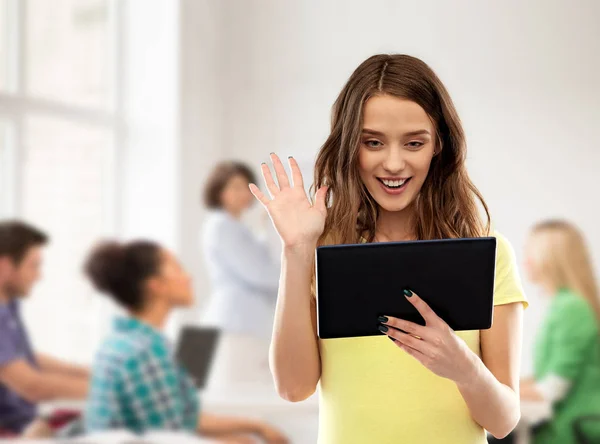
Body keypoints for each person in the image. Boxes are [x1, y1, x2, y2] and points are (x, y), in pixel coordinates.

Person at [249, 54, 528, 444]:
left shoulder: (488, 253)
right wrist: (296, 251)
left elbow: (503, 420)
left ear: (439, 146)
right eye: (373, 142)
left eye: (414, 142)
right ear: (350, 146)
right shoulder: (322, 249)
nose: (393, 163)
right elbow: (294, 388)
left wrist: (463, 367)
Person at [84, 240, 288, 443]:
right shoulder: (145, 352)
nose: (188, 276)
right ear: (156, 285)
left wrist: (255, 426)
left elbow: (183, 421)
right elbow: (170, 437)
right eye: (177, 268)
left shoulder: (122, 342)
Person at [0, 220, 89, 438]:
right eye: (34, 265)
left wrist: (93, 373)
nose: (39, 276)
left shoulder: (9, 306)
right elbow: (31, 386)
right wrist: (111, 388)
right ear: (5, 266)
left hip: (26, 424)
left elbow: (25, 359)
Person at [518, 220, 600, 443]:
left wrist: (491, 389)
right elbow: (544, 376)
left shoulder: (571, 308)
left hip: (573, 432)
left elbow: (551, 389)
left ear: (550, 259)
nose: (524, 260)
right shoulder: (563, 305)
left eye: (529, 251)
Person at [201, 161, 279, 389]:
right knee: (239, 394)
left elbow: (259, 263)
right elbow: (259, 273)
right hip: (235, 324)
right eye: (235, 187)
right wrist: (301, 276)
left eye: (246, 186)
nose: (243, 193)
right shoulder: (221, 226)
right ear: (219, 191)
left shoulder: (235, 227)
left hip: (241, 323)